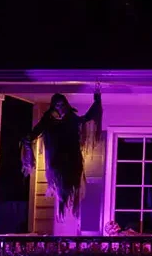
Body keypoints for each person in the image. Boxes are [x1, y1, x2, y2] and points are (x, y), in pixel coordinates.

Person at [21, 86, 103, 220]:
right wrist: (28, 143)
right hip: (56, 160)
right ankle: (61, 206)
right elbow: (34, 133)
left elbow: (86, 118)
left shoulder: (72, 119)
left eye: (62, 104)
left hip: (72, 158)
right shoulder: (47, 121)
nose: (60, 107)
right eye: (57, 104)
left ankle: (67, 208)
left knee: (71, 185)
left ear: (66, 105)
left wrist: (97, 101)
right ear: (53, 106)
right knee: (60, 187)